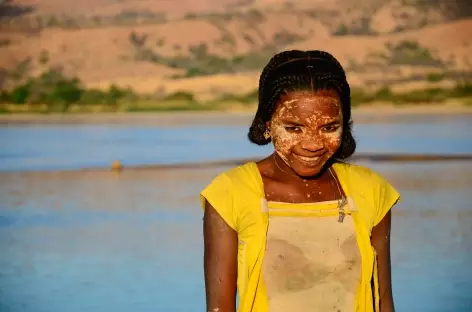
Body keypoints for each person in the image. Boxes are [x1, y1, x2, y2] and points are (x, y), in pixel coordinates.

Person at [200, 50, 400, 312]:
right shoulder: (231, 194)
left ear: (345, 123)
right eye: (294, 128)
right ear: (268, 123)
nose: (313, 144)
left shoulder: (370, 190)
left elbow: (383, 301)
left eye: (329, 127)